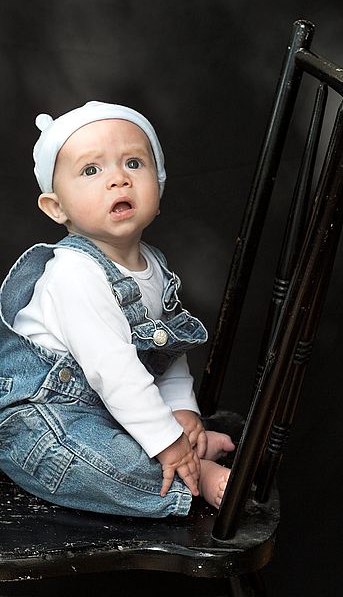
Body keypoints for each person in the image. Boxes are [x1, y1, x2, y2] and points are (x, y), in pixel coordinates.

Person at [0, 101, 235, 518]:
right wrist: (168, 441)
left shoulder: (154, 265)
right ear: (57, 208)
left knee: (139, 425)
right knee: (82, 464)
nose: (118, 179)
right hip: (43, 417)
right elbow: (115, 372)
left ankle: (181, 446)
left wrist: (182, 410)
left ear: (158, 191)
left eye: (133, 162)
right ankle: (197, 472)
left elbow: (167, 350)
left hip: (112, 404)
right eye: (92, 171)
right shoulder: (74, 275)